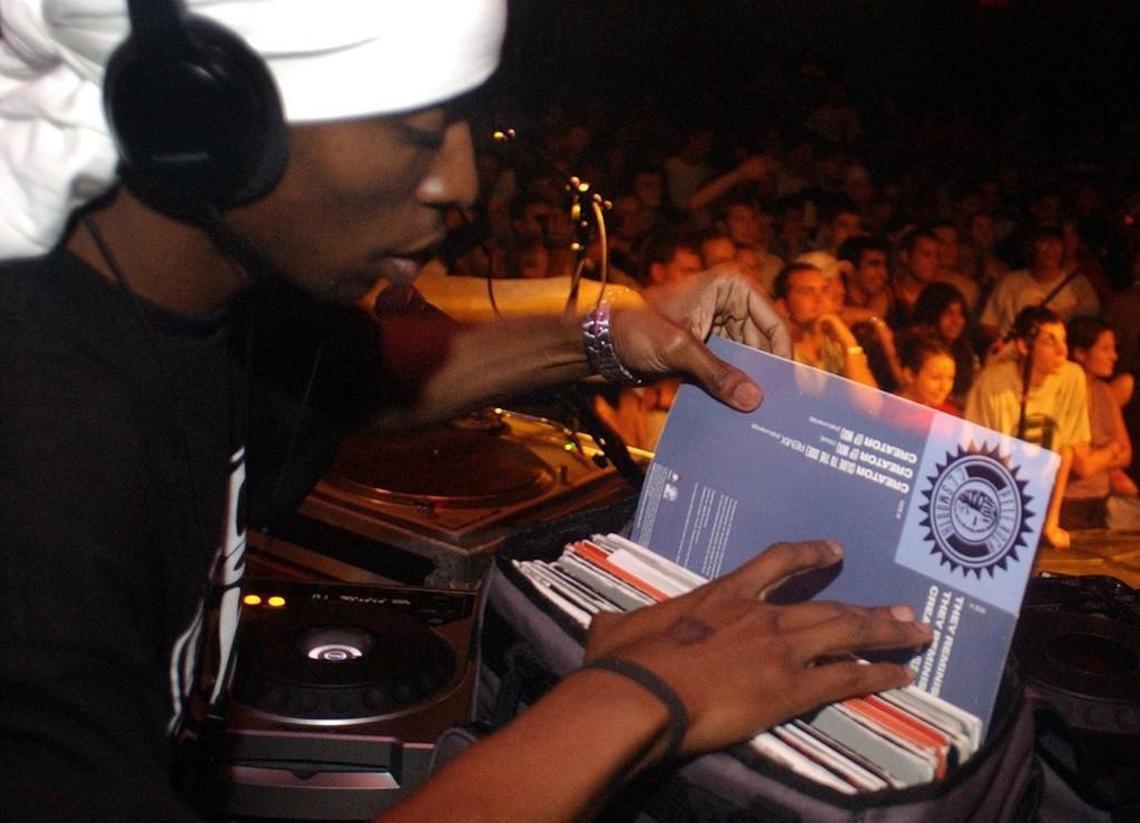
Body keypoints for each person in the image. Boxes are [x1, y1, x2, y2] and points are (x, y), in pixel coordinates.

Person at [0, 2, 930, 819]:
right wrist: (639, 694)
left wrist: (612, 333)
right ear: (203, 115)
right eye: (416, 130)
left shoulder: (211, 296)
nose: (462, 182)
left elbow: (361, 380)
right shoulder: (41, 462)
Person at [965, 307, 1091, 550]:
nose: (1061, 350)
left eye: (1063, 340)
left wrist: (1051, 522)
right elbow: (976, 454)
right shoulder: (993, 382)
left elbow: (1065, 452)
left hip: (1040, 498)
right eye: (1049, 341)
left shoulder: (1072, 377)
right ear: (1024, 346)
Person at [1062, 316, 1138, 530]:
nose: (1114, 356)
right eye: (1105, 349)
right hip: (1068, 503)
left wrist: (1097, 455)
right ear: (1080, 353)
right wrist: (1110, 449)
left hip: (1100, 500)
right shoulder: (1064, 393)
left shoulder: (1104, 391)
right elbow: (1083, 466)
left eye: (1114, 349)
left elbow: (1126, 453)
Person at [772, 261, 878, 387]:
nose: (820, 299)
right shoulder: (775, 353)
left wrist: (848, 342)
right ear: (783, 307)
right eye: (807, 292)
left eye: (824, 290)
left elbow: (870, 403)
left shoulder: (837, 345)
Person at [909, 282, 981, 412]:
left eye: (960, 314)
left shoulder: (966, 353)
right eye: (948, 314)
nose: (957, 321)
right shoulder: (912, 348)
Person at [894, 331, 959, 416]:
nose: (944, 387)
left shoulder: (948, 414)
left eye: (950, 378)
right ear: (909, 375)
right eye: (936, 378)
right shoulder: (890, 412)